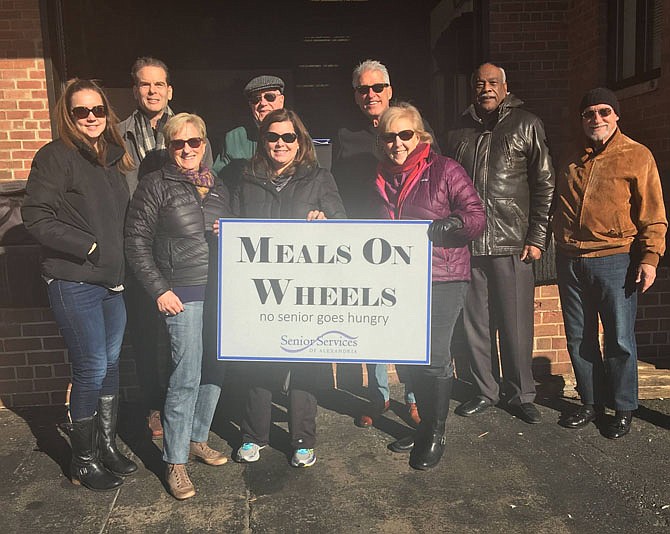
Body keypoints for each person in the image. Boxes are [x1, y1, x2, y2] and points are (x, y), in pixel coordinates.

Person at [22, 79, 138, 491]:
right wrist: (88, 246)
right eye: (80, 112)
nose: (90, 118)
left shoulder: (111, 158)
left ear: (107, 113)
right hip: (74, 280)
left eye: (97, 110)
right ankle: (82, 460)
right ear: (67, 116)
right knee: (90, 368)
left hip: (111, 283)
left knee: (109, 366)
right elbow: (35, 215)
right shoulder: (56, 156)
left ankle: (105, 447)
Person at [232, 108, 346, 468]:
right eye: (273, 137)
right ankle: (254, 436)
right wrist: (225, 231)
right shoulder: (246, 178)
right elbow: (233, 223)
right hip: (260, 289)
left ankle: (302, 440)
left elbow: (342, 223)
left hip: (305, 290)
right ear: (263, 141)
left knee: (305, 364)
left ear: (300, 141)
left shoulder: (319, 178)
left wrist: (326, 220)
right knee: (258, 363)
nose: (280, 143)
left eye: (288, 137)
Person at [372, 103, 485, 469]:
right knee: (407, 356)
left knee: (434, 357)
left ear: (420, 136)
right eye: (390, 136)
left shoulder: (446, 170)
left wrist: (452, 225)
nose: (397, 143)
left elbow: (476, 216)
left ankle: (435, 433)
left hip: (442, 276)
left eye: (405, 134)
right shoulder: (379, 176)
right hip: (398, 280)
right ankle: (422, 429)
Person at [124, 113, 231, 500]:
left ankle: (197, 438)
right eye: (178, 144)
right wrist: (159, 289)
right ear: (168, 148)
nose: (187, 149)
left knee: (215, 368)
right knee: (185, 375)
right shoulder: (154, 185)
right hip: (181, 293)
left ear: (205, 145)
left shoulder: (219, 186)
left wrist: (228, 229)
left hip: (220, 292)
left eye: (194, 142)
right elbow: (135, 243)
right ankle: (174, 460)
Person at [552, 88, 667, 438]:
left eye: (604, 112)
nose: (597, 119)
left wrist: (649, 258)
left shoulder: (637, 155)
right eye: (589, 113)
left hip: (615, 259)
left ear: (616, 116)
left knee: (618, 339)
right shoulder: (571, 156)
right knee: (578, 337)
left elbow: (654, 214)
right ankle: (590, 402)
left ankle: (623, 407)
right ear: (582, 119)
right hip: (570, 259)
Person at [445, 62, 555, 424]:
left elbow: (544, 184)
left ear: (506, 87)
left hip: (513, 243)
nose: (485, 89)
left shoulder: (527, 124)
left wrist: (537, 237)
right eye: (479, 83)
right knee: (475, 325)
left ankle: (521, 393)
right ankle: (485, 390)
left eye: (493, 83)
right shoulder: (458, 132)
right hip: (470, 244)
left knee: (516, 325)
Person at [333, 59, 438, 428]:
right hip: (362, 243)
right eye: (364, 89)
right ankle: (377, 396)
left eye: (378, 88)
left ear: (390, 90)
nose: (371, 95)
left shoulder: (411, 127)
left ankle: (412, 396)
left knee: (407, 322)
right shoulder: (344, 133)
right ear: (356, 95)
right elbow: (332, 185)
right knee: (372, 322)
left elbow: (435, 178)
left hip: (407, 244)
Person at [119, 56, 214, 440]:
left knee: (187, 353)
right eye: (145, 84)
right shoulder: (118, 133)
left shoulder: (188, 130)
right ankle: (156, 408)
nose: (153, 90)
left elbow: (209, 197)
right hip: (143, 247)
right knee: (146, 337)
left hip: (183, 257)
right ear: (136, 89)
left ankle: (189, 426)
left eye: (159, 84)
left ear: (169, 90)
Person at [212, 75, 285, 179]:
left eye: (270, 97)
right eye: (256, 99)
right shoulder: (234, 138)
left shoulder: (296, 135)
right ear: (251, 105)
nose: (263, 103)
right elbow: (218, 178)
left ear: (281, 100)